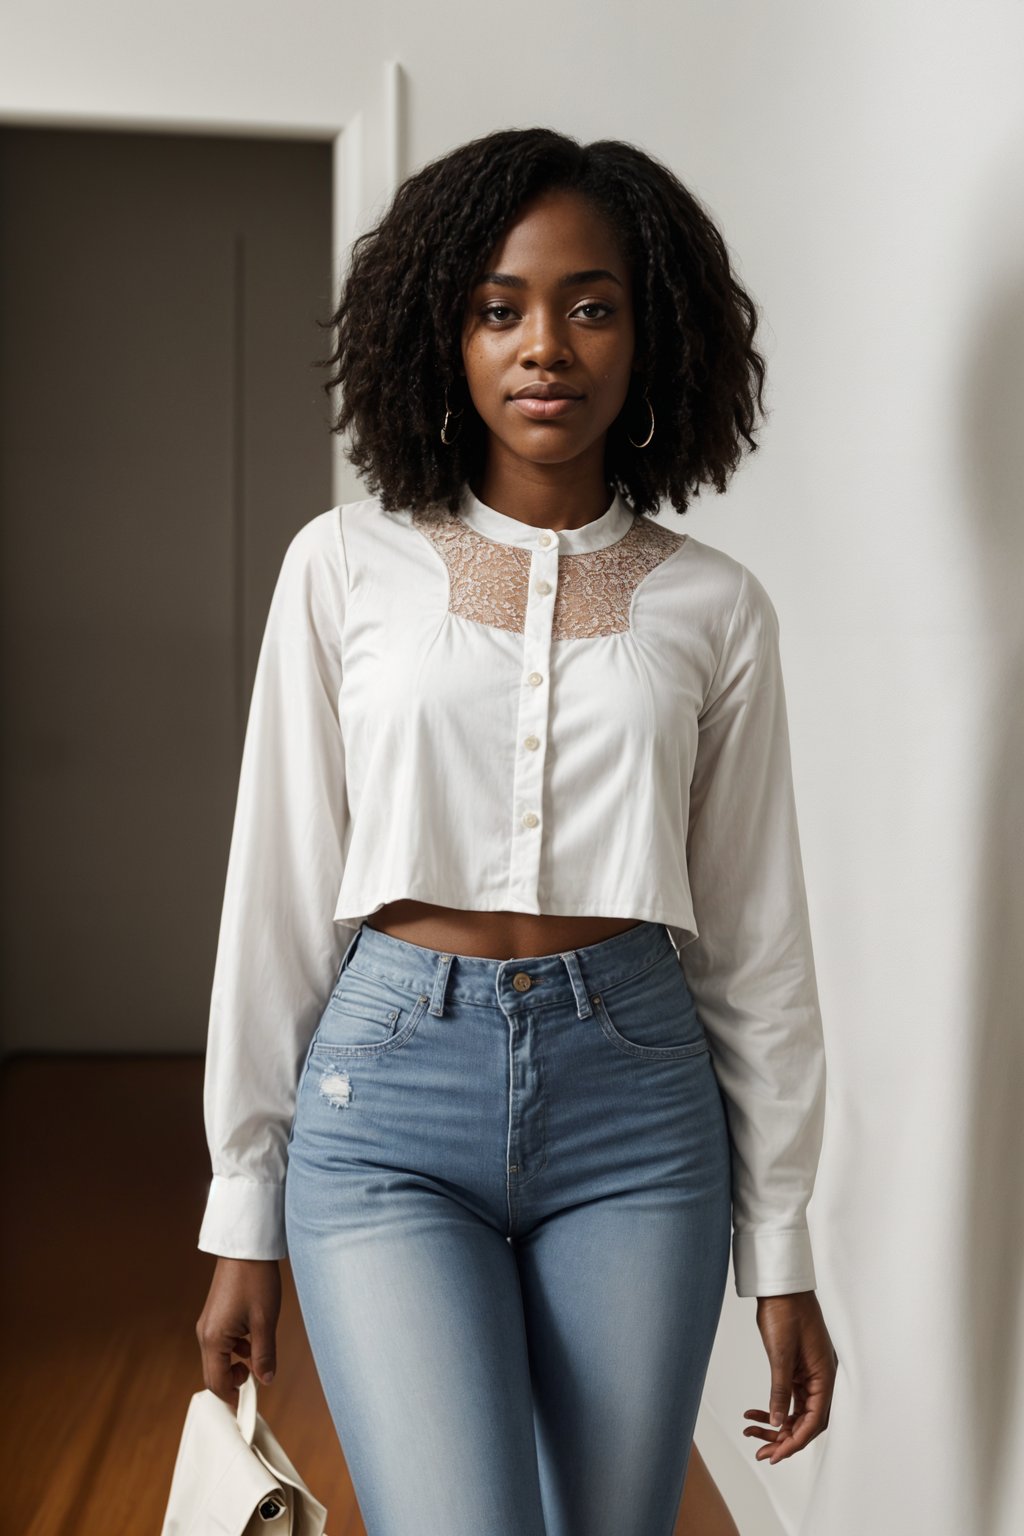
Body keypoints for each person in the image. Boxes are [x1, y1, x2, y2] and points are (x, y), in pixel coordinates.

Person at [195, 126, 838, 1536]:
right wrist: (242, 1207)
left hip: (639, 1118)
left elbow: (754, 938)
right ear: (447, 333)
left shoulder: (715, 607)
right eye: (500, 308)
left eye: (590, 305)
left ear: (647, 332)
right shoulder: (343, 566)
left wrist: (782, 1243)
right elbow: (282, 885)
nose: (546, 345)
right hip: (385, 1119)